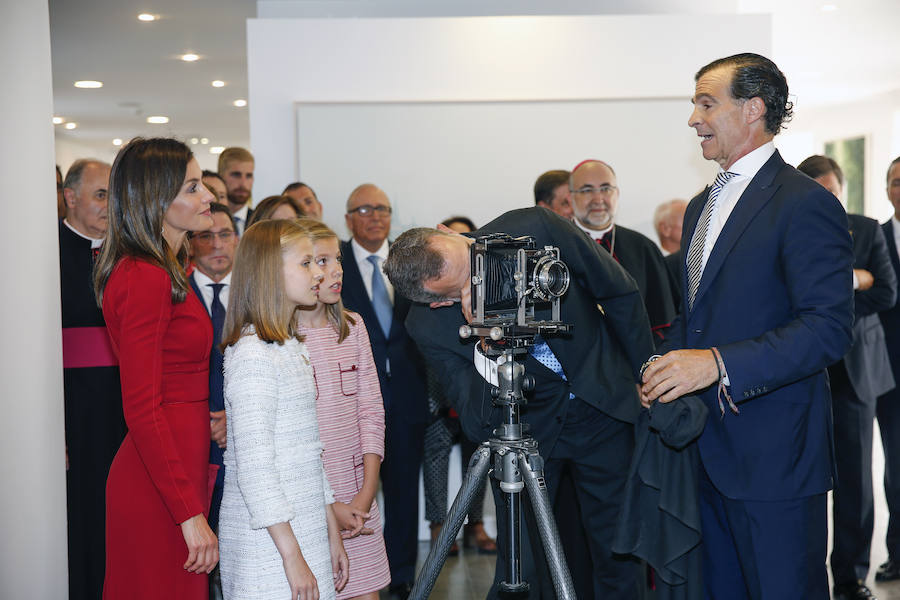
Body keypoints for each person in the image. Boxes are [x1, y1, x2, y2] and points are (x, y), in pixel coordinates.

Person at [640, 53, 854, 598]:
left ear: (753, 109)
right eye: (695, 104)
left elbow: (828, 328)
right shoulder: (698, 207)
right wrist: (663, 366)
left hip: (775, 462)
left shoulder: (805, 203)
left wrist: (714, 364)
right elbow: (699, 319)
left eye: (706, 103)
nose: (693, 118)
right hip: (704, 454)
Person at [383, 208, 656, 600]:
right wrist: (488, 350)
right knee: (524, 567)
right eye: (466, 282)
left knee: (620, 553)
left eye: (472, 257)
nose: (483, 273)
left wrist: (645, 370)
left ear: (448, 232)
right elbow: (477, 425)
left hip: (603, 406)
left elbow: (618, 291)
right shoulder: (426, 326)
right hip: (528, 434)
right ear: (441, 303)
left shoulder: (535, 228)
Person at [93, 137, 219, 598]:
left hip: (174, 474)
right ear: (155, 200)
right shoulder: (144, 276)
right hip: (159, 489)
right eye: (192, 187)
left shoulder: (165, 269)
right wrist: (188, 512)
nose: (208, 197)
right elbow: (143, 408)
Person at [218, 219, 349, 600]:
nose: (319, 273)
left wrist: (330, 533)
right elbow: (255, 469)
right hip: (269, 544)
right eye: (306, 263)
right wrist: (292, 556)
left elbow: (311, 454)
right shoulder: (252, 355)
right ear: (270, 273)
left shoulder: (289, 346)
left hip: (304, 527)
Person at [798, 154, 897, 599]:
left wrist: (843, 293)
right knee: (804, 477)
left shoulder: (868, 228)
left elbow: (886, 292)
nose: (826, 201)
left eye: (832, 193)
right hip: (803, 374)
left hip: (856, 373)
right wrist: (854, 280)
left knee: (857, 482)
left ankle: (850, 575)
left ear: (843, 190)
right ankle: (805, 572)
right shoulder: (790, 231)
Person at [294, 217, 392, 600]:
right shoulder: (277, 339)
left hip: (358, 497)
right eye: (320, 261)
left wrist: (365, 496)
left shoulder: (353, 326)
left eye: (337, 259)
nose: (335, 270)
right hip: (307, 499)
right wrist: (327, 505)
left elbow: (371, 411)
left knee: (365, 591)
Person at [339, 183, 428, 600]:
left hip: (407, 396)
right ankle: (359, 573)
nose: (375, 216)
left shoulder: (410, 261)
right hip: (353, 402)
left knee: (404, 489)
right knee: (357, 489)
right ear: (348, 218)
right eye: (365, 209)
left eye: (382, 209)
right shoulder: (333, 262)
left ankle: (401, 573)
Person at [59, 158, 127, 600]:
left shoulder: (125, 253)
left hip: (124, 408)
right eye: (101, 194)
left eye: (112, 196)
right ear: (70, 197)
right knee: (81, 516)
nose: (109, 205)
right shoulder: (44, 252)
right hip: (73, 411)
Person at [422, 216, 496, 557]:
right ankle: (439, 524)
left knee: (479, 455)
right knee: (435, 450)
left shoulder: (488, 284)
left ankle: (476, 524)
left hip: (478, 381)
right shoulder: (427, 285)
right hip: (439, 388)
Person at [188, 202, 240, 599]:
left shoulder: (259, 293)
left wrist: (233, 418)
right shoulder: (175, 290)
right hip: (190, 436)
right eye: (206, 235)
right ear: (190, 242)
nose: (217, 243)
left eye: (225, 234)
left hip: (245, 438)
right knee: (196, 549)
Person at [569, 159, 677, 344]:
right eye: (587, 190)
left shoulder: (643, 248)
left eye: (605, 189)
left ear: (616, 194)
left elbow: (662, 321)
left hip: (631, 365)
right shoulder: (555, 245)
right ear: (571, 198)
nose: (598, 199)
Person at [876, 156, 900, 584]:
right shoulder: (872, 237)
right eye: (897, 182)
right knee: (896, 468)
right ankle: (898, 553)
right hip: (889, 374)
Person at [217, 147, 255, 234]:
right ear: (220, 176)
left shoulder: (261, 222)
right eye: (236, 175)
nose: (243, 183)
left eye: (249, 176)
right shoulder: (205, 221)